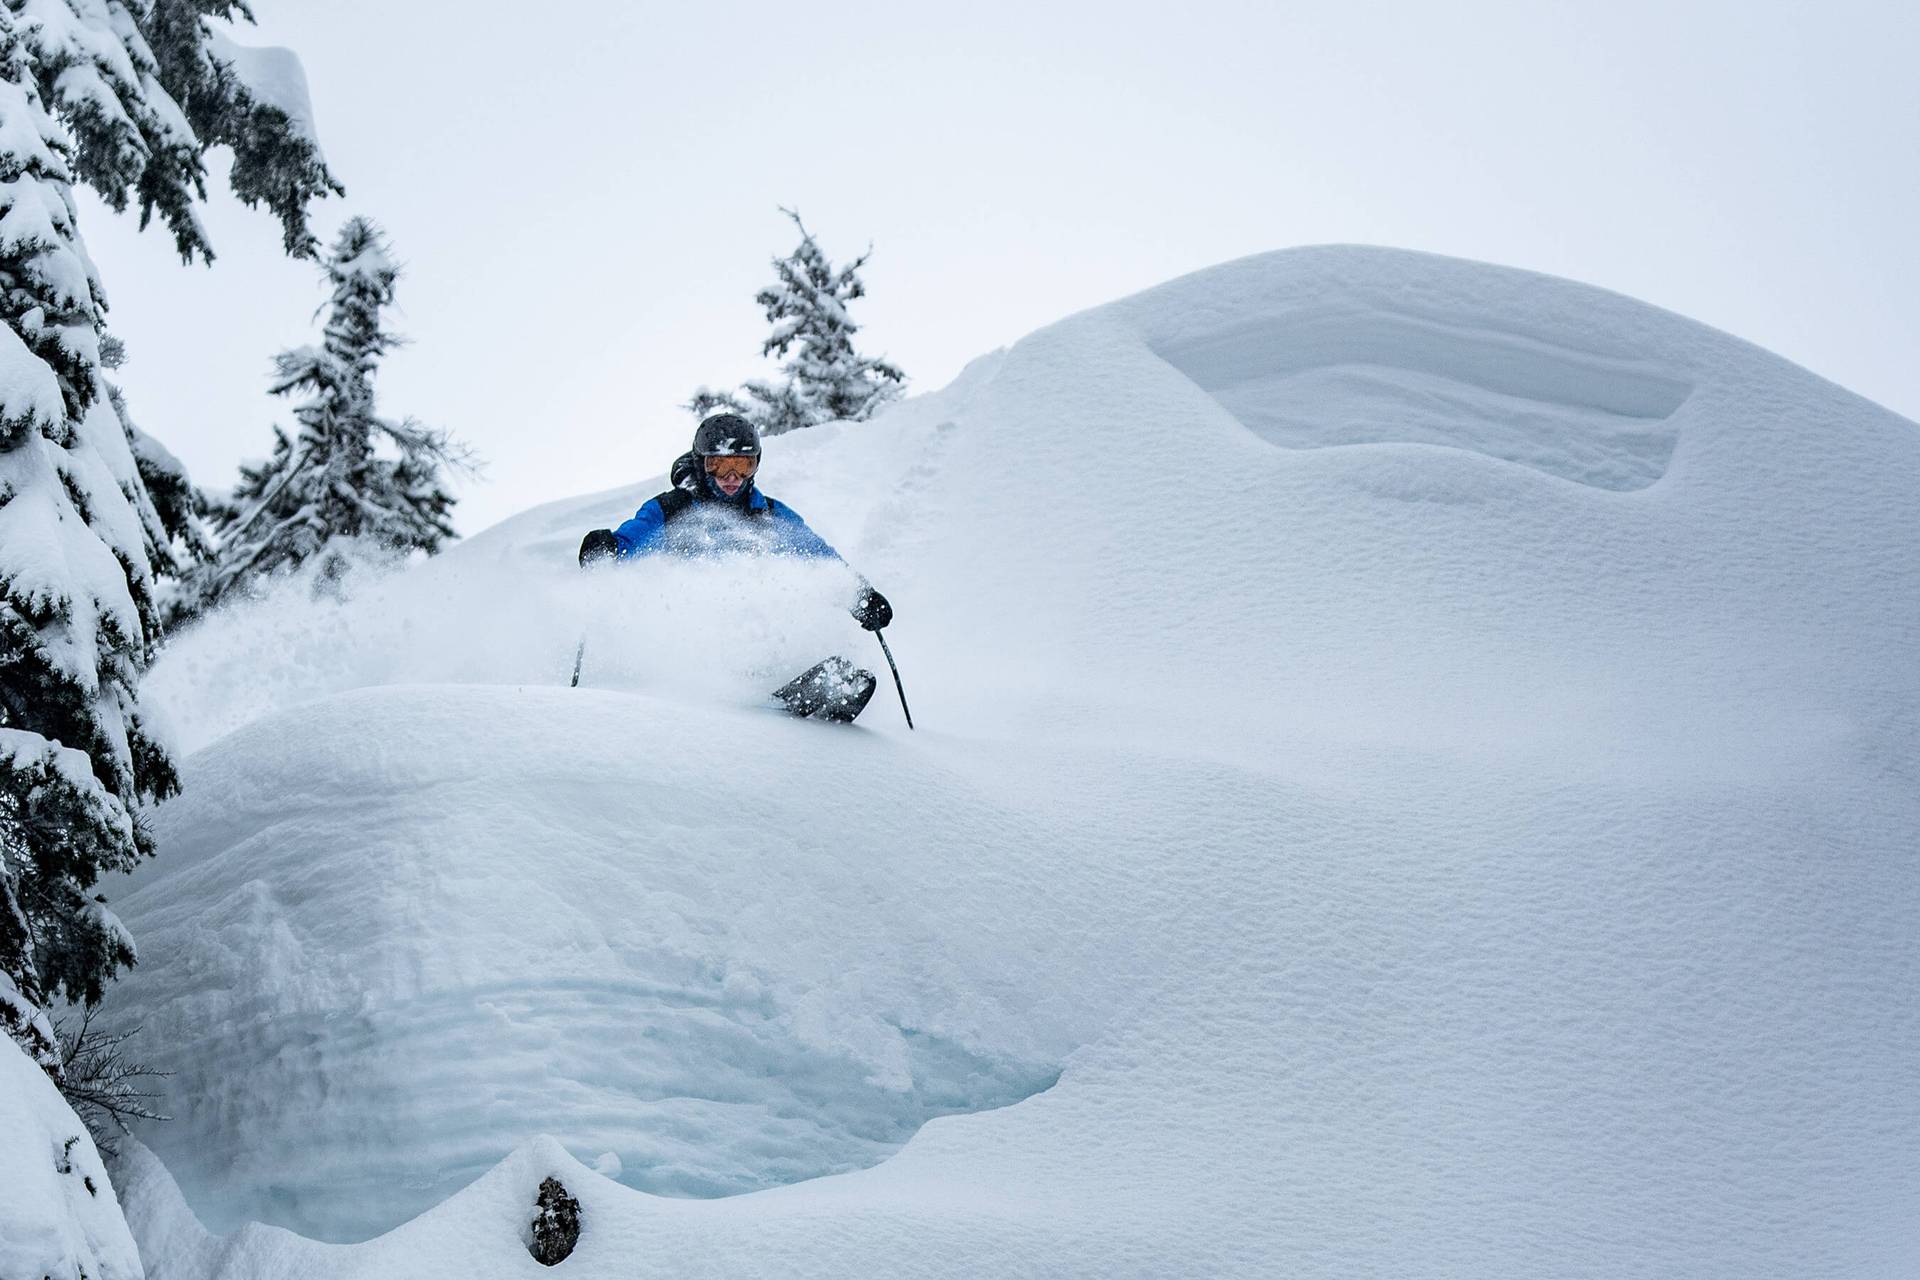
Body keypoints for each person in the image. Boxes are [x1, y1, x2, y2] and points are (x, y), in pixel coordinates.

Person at [575, 412, 892, 720]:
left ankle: (778, 689)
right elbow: (634, 537)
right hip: (689, 628)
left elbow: (817, 557)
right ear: (702, 464)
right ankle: (732, 694)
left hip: (753, 632)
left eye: (743, 465)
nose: (731, 478)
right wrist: (609, 548)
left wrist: (859, 596)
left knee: (772, 605)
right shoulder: (672, 509)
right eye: (720, 465)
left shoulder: (769, 514)